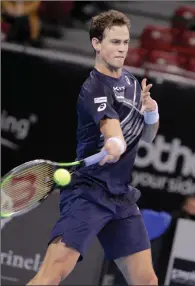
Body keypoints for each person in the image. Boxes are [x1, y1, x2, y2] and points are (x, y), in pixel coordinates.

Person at [27, 10, 159, 285]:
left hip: (120, 197)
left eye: (125, 42)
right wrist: (113, 140)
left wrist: (151, 113)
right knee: (53, 275)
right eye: (114, 42)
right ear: (96, 44)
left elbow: (146, 137)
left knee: (147, 281)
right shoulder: (94, 87)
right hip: (88, 194)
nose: (122, 49)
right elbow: (110, 127)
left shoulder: (131, 82)